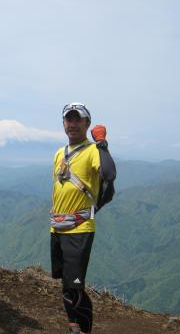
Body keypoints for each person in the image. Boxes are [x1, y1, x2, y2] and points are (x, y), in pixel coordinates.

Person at [50, 102, 116, 334]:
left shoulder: (93, 151)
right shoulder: (60, 152)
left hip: (80, 228)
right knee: (65, 282)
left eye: (78, 119)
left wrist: (102, 144)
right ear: (64, 124)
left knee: (75, 285)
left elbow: (109, 174)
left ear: (87, 124)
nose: (73, 124)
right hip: (58, 227)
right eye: (69, 119)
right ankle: (73, 325)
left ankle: (84, 329)